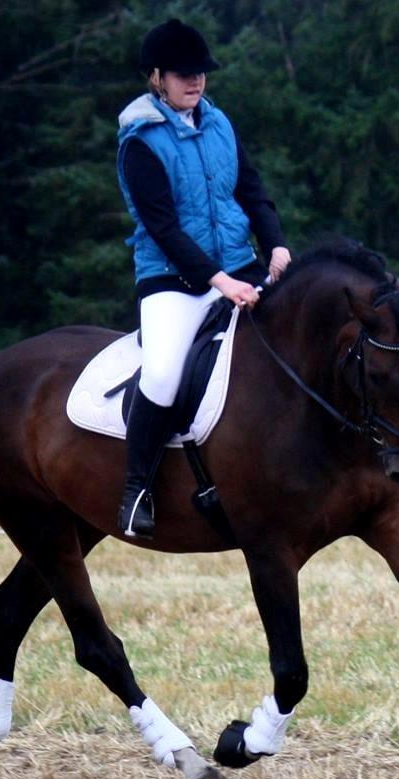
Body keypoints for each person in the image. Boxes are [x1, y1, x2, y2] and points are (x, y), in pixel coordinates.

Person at [115, 18, 291, 538]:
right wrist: (220, 282)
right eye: (183, 74)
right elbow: (164, 228)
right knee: (165, 373)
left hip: (241, 262)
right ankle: (136, 490)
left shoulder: (219, 125)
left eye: (201, 74)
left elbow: (252, 191)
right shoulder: (139, 143)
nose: (195, 81)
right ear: (156, 78)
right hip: (171, 279)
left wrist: (275, 243)